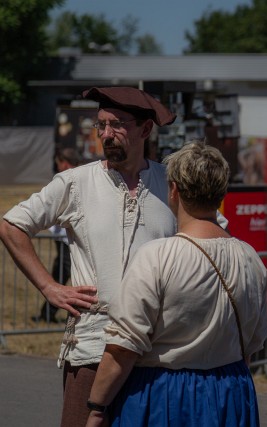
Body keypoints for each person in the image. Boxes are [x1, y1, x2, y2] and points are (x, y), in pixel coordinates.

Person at [0, 86, 179, 427]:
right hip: (95, 345)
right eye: (101, 125)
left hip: (158, 351)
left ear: (144, 129)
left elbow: (209, 237)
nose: (106, 134)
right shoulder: (76, 183)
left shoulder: (170, 183)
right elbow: (12, 225)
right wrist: (50, 287)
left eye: (117, 124)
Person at [85, 142, 267, 427]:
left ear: (173, 190)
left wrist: (97, 407)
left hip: (162, 394)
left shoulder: (157, 256)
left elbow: (124, 346)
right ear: (221, 194)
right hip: (231, 391)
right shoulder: (251, 259)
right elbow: (255, 339)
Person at [33, 147, 82, 323]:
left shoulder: (73, 180)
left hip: (69, 240)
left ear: (65, 163)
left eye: (59, 164)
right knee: (59, 275)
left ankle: (48, 313)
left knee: (60, 277)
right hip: (63, 239)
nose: (58, 167)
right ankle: (47, 313)